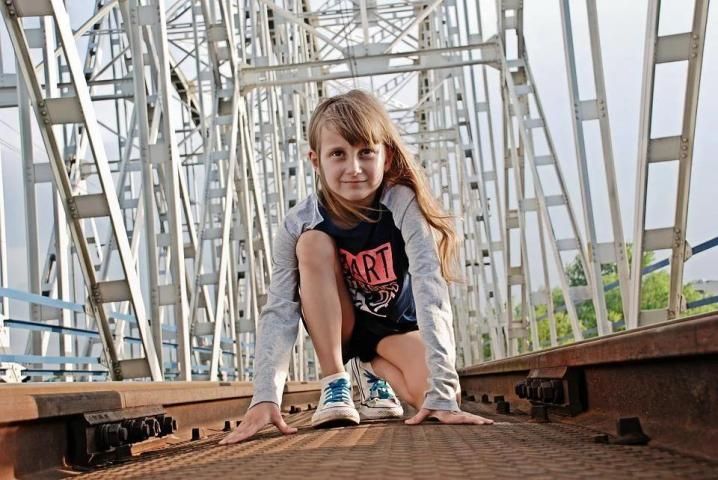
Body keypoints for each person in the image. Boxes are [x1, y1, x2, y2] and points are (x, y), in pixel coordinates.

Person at [220, 89, 493, 445]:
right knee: (311, 243)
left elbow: (429, 282)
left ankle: (368, 368)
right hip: (341, 326)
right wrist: (265, 396)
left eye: (366, 152)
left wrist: (442, 387)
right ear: (316, 161)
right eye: (338, 154)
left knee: (437, 397)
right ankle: (336, 381)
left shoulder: (401, 203)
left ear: (386, 156)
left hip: (395, 329)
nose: (354, 168)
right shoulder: (299, 221)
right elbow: (280, 309)